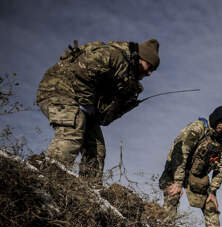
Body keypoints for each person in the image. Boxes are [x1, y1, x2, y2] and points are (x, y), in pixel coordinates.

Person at [37, 38, 159, 185]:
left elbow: (104, 119)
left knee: (96, 149)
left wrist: (124, 105)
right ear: (141, 58)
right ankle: (47, 179)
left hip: (81, 103)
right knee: (72, 130)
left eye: (153, 70)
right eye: (149, 67)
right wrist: (87, 103)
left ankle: (88, 190)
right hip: (58, 89)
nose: (149, 73)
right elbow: (82, 69)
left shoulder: (128, 79)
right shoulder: (114, 55)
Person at [158, 106, 222, 227]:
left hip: (196, 174)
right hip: (176, 166)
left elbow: (221, 166)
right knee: (173, 194)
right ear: (215, 118)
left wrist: (213, 191)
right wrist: (178, 181)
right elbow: (181, 152)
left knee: (210, 204)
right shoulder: (198, 128)